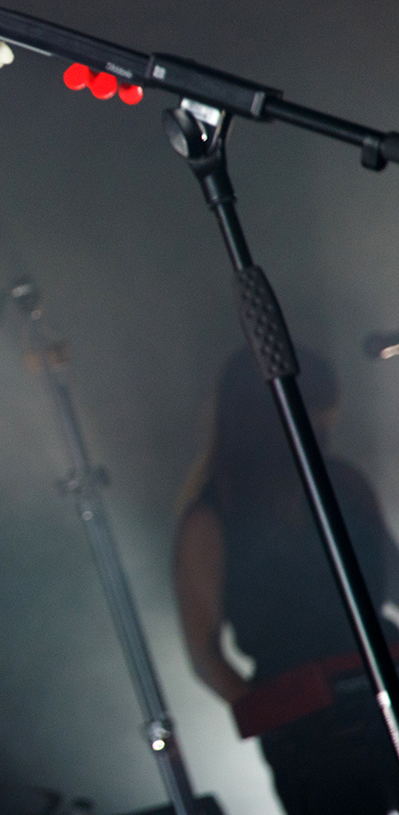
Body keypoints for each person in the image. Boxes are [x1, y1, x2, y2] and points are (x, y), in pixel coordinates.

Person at [173, 348, 399, 814]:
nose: (324, 425)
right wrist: (283, 720)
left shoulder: (345, 483)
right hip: (313, 733)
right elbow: (203, 652)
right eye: (315, 410)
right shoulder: (212, 519)